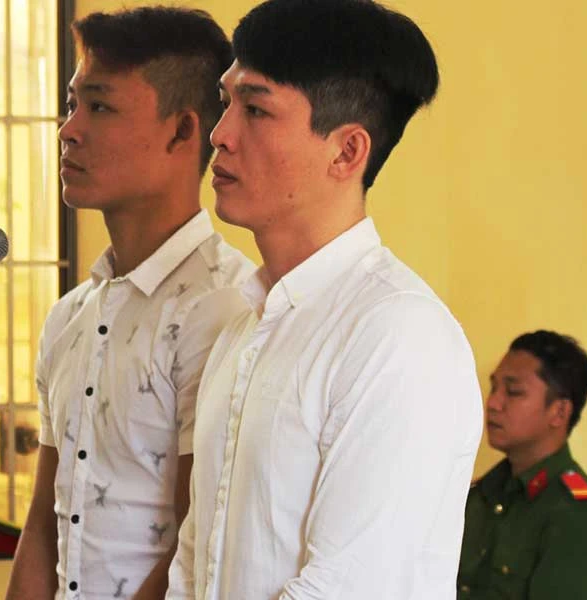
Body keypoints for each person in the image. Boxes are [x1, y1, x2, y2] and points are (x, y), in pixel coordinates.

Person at [165, 0, 483, 598]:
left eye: (256, 109)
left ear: (346, 152)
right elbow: (194, 561)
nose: (220, 135)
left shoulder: (398, 335)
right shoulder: (242, 328)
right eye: (226, 102)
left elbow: (346, 587)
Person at [5, 7, 253, 600]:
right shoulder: (70, 316)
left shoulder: (223, 307)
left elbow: (198, 542)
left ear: (184, 131)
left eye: (100, 107)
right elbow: (43, 526)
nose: (68, 130)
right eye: (72, 104)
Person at [458, 330, 587, 599]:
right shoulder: (479, 495)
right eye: (493, 388)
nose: (493, 403)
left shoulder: (581, 514)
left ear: (559, 412)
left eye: (513, 391)